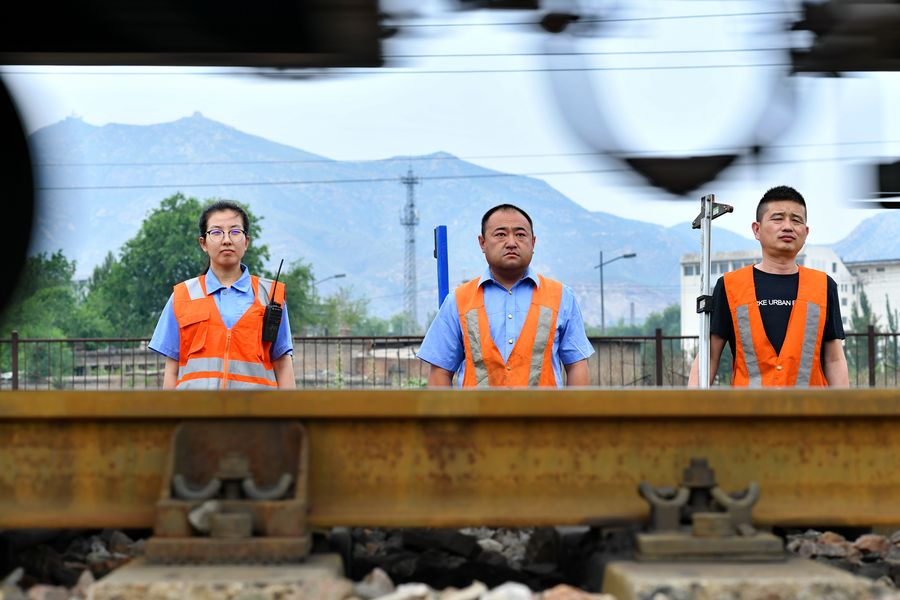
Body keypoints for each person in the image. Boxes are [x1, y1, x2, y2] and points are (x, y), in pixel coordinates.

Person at [688, 185, 849, 387]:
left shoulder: (823, 286)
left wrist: (844, 406)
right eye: (778, 218)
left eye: (796, 220)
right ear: (757, 229)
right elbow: (709, 356)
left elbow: (834, 360)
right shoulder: (730, 286)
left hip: (809, 407)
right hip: (750, 407)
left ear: (806, 232)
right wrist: (690, 403)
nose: (788, 226)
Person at [417, 204, 594, 387]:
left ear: (533, 242)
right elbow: (440, 372)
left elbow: (577, 365)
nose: (511, 243)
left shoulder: (562, 297)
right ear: (482, 243)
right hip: (476, 407)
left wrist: (578, 407)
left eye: (520, 234)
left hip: (544, 408)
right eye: (501, 234)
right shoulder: (458, 301)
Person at [149, 200, 296, 389]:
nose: (227, 240)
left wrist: (289, 408)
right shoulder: (183, 296)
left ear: (246, 241)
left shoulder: (271, 297)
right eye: (216, 232)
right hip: (197, 408)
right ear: (203, 243)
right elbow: (172, 369)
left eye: (235, 232)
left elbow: (282, 364)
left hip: (256, 408)